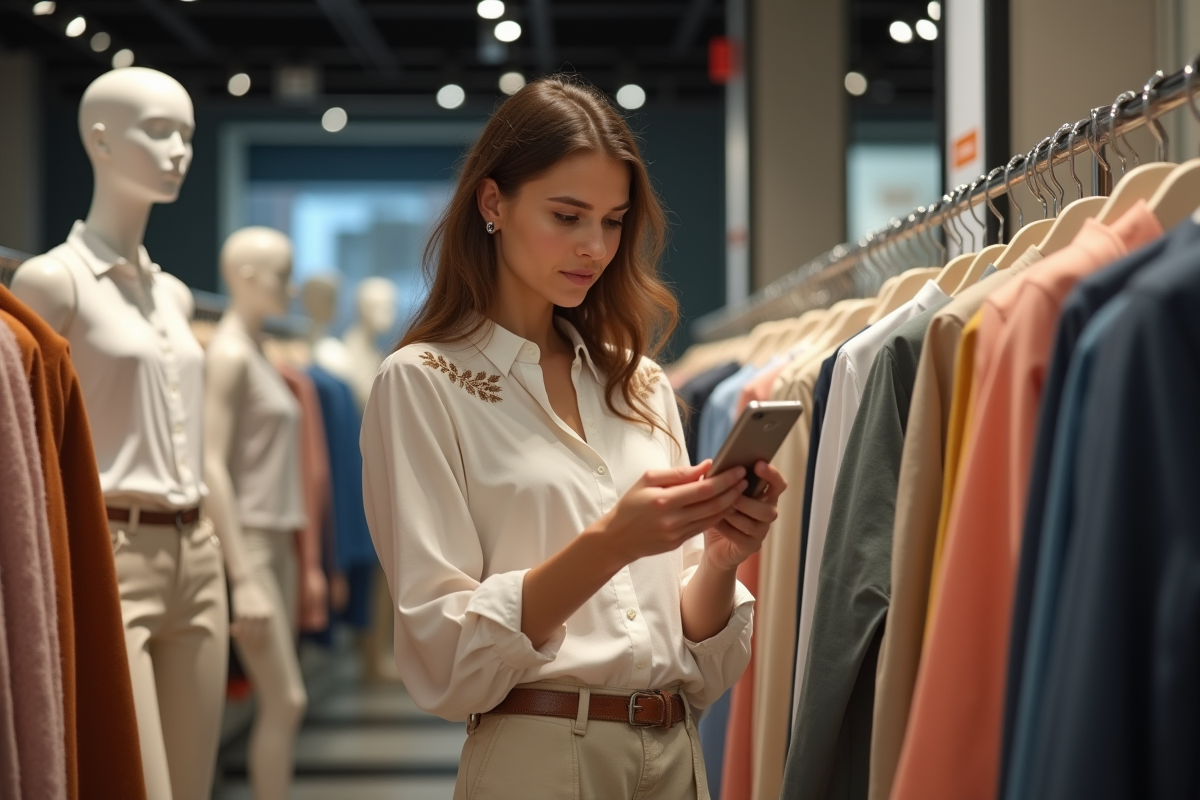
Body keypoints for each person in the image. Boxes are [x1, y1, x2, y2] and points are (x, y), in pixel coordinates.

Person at [360, 75, 787, 799]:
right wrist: (610, 544)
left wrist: (721, 559)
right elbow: (444, 650)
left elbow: (693, 642)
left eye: (614, 222)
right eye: (567, 216)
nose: (594, 247)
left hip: (675, 751)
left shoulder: (639, 381)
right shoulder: (423, 382)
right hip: (540, 756)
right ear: (492, 203)